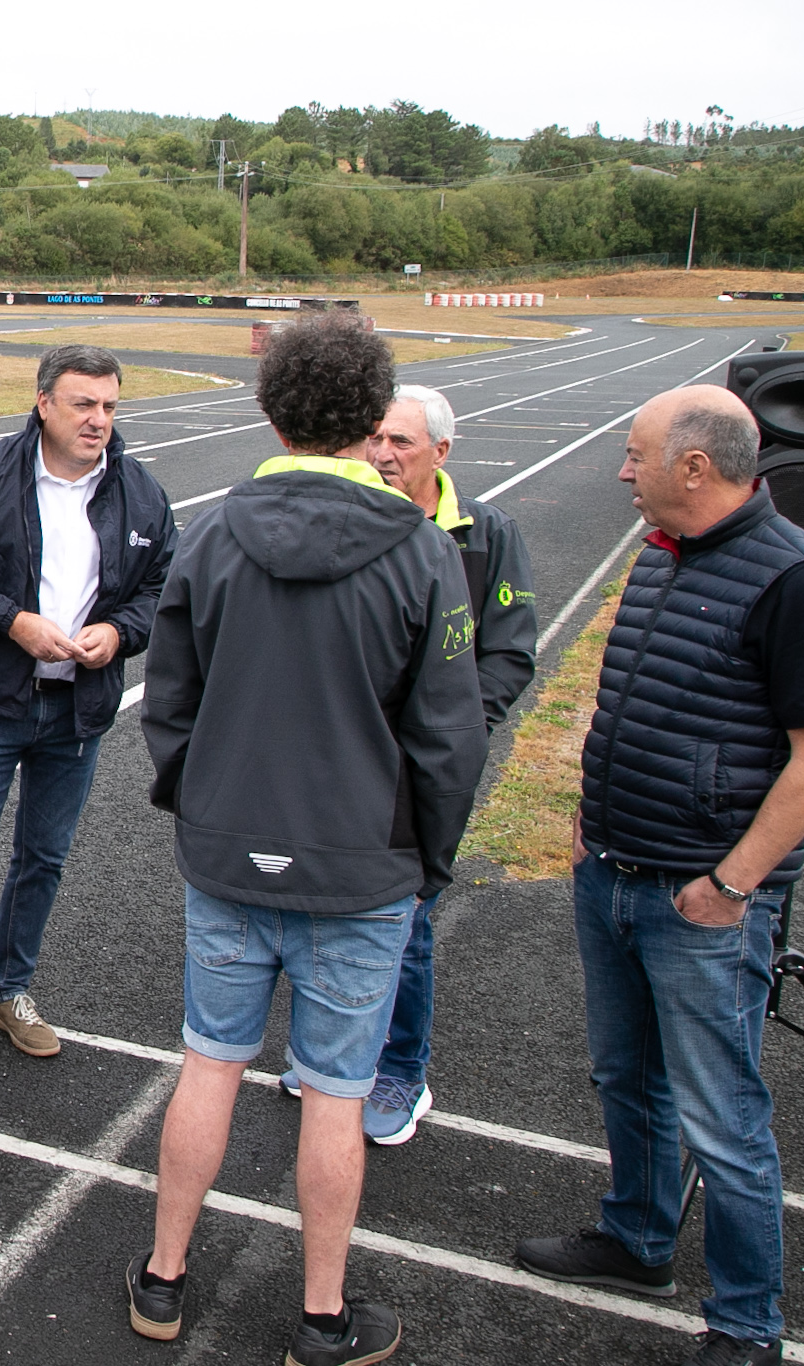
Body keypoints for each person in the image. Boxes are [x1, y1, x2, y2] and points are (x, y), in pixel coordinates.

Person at [128, 313, 487, 1358]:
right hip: (360, 870)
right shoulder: (422, 552)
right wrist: (425, 861)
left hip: (228, 856)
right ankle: (322, 1316)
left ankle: (162, 1280)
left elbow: (169, 702)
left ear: (270, 410)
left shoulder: (210, 534)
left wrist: (202, 808)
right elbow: (448, 738)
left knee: (208, 1065)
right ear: (371, 420)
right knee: (336, 1094)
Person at [514, 385, 804, 1366]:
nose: (622, 471)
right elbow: (628, 698)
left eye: (636, 455)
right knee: (625, 1077)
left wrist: (730, 887)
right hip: (614, 870)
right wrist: (587, 821)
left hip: (700, 902)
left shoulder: (796, 579)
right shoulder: (662, 552)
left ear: (694, 467)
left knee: (721, 1116)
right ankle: (636, 1239)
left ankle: (748, 1324)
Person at [0, 344, 176, 1077]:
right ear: (44, 403)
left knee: (43, 859)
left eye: (109, 405)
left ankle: (8, 991)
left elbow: (161, 590)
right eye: (83, 404)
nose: (99, 419)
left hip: (78, 709)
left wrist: (120, 632)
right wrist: (13, 622)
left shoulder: (141, 492)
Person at [276, 383, 539, 1144]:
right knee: (323, 906)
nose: (384, 454)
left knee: (407, 918)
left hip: (424, 768)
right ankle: (329, 1053)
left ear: (441, 453)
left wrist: (454, 730)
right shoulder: (355, 521)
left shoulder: (486, 534)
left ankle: (399, 1069)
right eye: (376, 439)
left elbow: (508, 652)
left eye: (401, 442)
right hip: (341, 761)